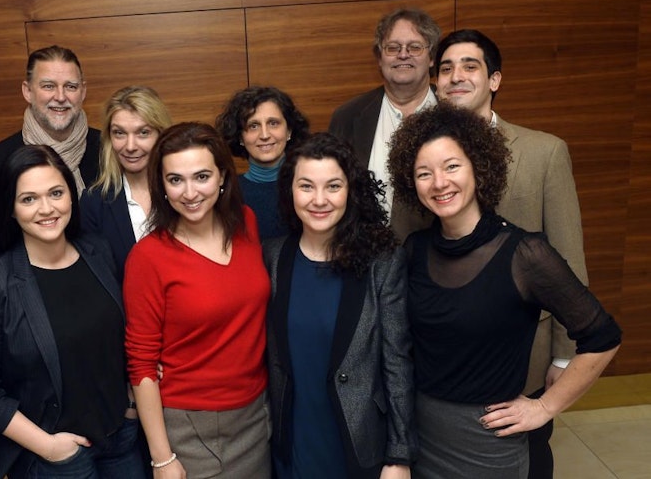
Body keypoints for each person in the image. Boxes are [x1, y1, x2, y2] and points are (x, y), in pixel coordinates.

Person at [386, 104, 621, 478]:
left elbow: (604, 337)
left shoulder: (524, 254)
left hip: (488, 445)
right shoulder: (415, 249)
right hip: (421, 435)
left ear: (478, 168)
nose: (439, 182)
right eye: (423, 173)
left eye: (451, 166)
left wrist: (544, 408)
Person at [434, 29, 588, 479]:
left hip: (525, 354)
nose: (456, 76)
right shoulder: (419, 155)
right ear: (434, 84)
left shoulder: (543, 153)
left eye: (469, 66)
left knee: (527, 455)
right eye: (445, 69)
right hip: (442, 355)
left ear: (495, 79)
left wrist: (564, 357)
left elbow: (568, 259)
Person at [0, 145, 143, 479]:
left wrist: (130, 405)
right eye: (28, 199)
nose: (46, 208)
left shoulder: (98, 251)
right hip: (55, 457)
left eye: (56, 193)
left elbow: (124, 340)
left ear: (71, 196)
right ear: (11, 209)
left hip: (121, 439)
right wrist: (49, 447)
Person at [263, 132, 415, 479]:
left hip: (358, 438)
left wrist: (399, 455)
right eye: (306, 186)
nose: (319, 200)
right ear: (290, 191)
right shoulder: (271, 257)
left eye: (333, 186)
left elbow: (397, 363)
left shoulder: (382, 262)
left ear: (351, 190)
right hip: (293, 438)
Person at [124, 122, 271, 478]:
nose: (189, 192)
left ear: (222, 176)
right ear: (162, 184)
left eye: (202, 176)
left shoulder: (245, 223)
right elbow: (142, 365)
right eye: (175, 180)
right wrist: (162, 458)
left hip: (257, 412)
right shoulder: (149, 257)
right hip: (192, 427)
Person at [328, 8, 441, 239]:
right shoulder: (347, 117)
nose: (403, 55)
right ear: (380, 58)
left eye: (414, 47)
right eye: (392, 48)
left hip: (440, 260)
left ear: (431, 58)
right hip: (366, 257)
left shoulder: (455, 115)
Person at [0, 45, 101, 194]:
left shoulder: (109, 150)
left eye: (70, 87)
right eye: (48, 86)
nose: (60, 97)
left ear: (83, 92)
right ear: (27, 91)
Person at [81, 85, 172, 277]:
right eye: (119, 133)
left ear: (161, 135)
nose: (130, 146)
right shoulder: (94, 202)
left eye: (143, 133)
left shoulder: (185, 192)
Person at [216, 86, 310, 239]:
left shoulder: (310, 185)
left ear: (289, 131)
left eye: (273, 123)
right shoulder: (227, 192)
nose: (265, 135)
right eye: (253, 126)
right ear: (240, 137)